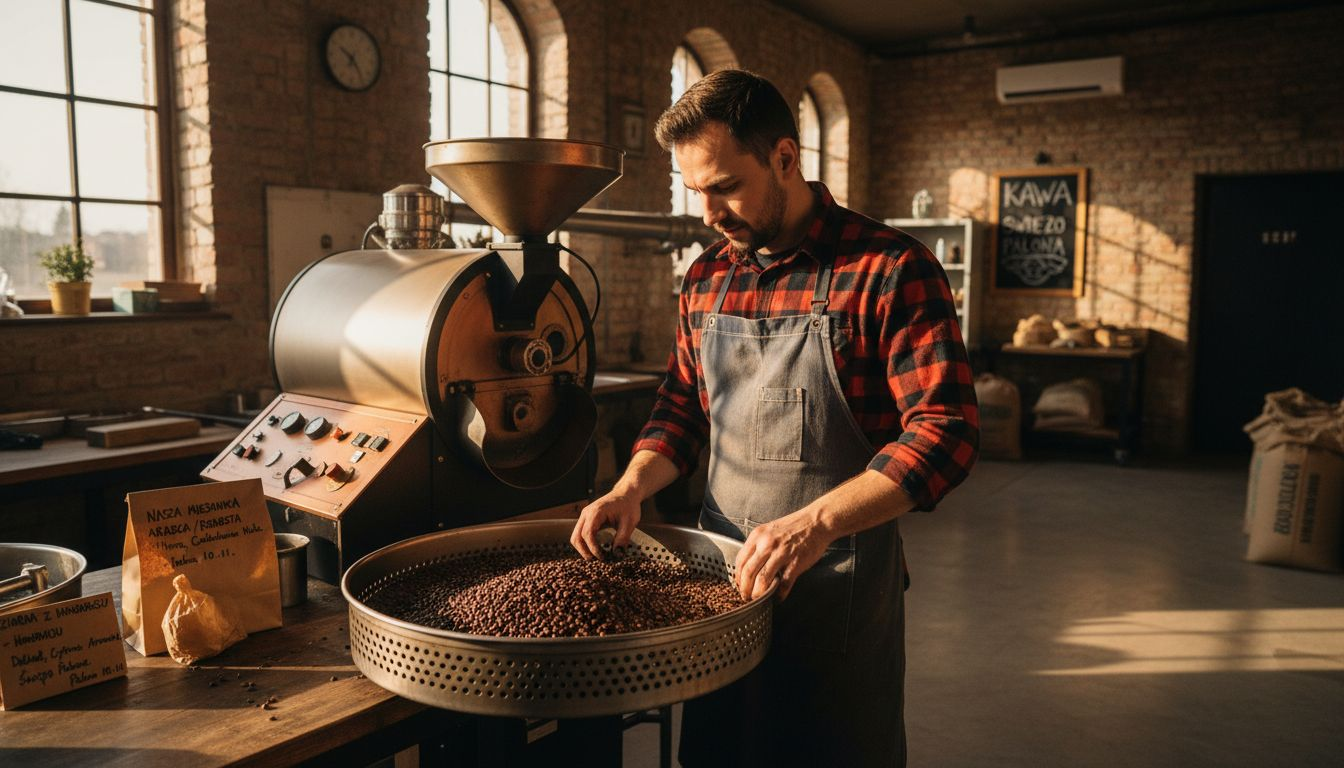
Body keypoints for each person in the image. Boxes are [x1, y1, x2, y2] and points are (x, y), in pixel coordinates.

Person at [570, 69, 979, 767]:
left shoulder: (888, 269)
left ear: (784, 158)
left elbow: (946, 431)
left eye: (724, 186)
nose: (707, 211)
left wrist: (817, 523)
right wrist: (631, 485)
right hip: (722, 585)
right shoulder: (706, 278)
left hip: (838, 588)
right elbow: (682, 410)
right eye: (694, 190)